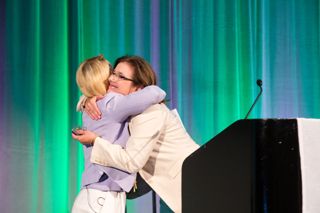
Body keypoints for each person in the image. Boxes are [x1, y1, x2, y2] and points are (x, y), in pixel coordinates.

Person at [73, 55, 199, 213]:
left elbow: (131, 161)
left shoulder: (149, 113)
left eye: (121, 76)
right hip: (165, 187)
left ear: (139, 88)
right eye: (113, 73)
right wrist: (88, 98)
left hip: (187, 185)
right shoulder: (120, 109)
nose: (112, 79)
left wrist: (95, 141)